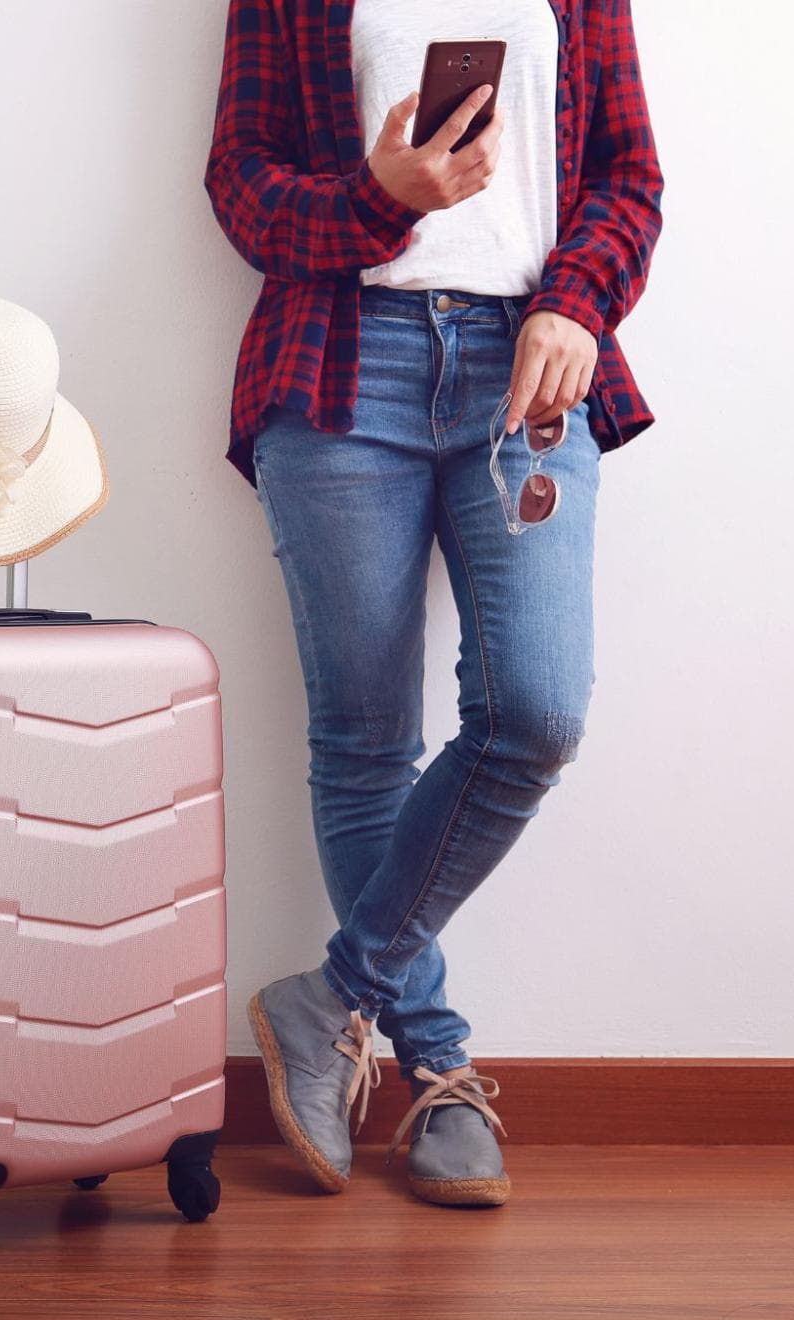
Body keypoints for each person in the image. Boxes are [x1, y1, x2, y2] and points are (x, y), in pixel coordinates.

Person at [204, 0, 662, 1206]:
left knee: (535, 711)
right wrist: (381, 194)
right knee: (363, 742)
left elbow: (628, 177)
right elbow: (241, 187)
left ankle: (326, 1001)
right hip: (343, 360)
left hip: (531, 366)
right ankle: (437, 1066)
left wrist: (575, 300)